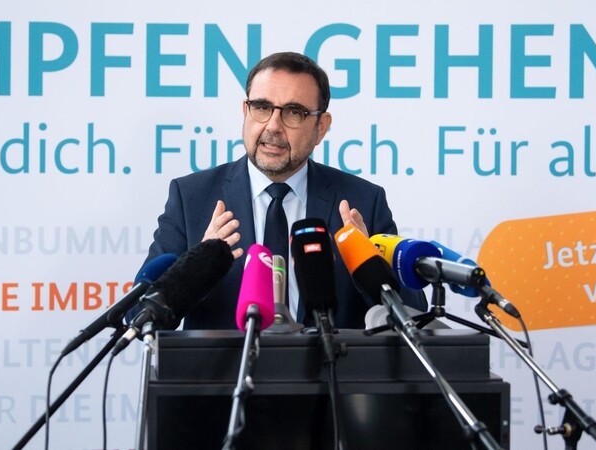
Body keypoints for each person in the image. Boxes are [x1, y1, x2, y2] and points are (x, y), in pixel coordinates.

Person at [144, 51, 426, 329]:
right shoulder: (191, 197)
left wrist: (371, 270)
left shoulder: (363, 201)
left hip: (329, 372)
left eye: (294, 112)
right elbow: (139, 315)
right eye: (262, 107)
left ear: (321, 127)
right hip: (226, 375)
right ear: (246, 111)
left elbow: (415, 315)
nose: (273, 126)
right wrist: (195, 270)